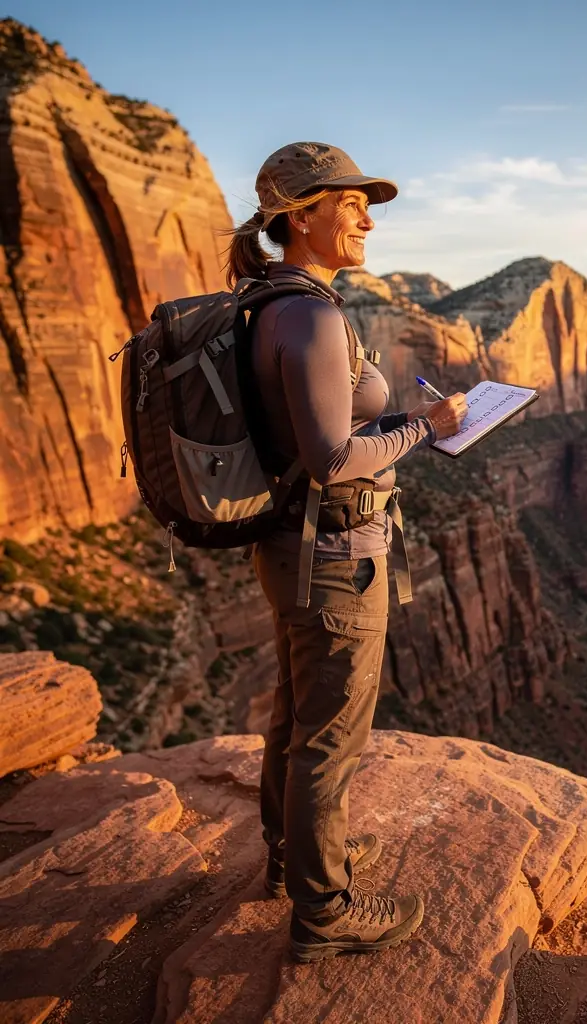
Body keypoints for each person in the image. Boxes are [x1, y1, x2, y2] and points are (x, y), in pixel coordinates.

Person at [225, 142, 467, 962]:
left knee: (296, 712)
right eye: (349, 202)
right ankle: (323, 912)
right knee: (330, 734)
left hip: (288, 544)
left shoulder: (267, 301)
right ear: (299, 217)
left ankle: (294, 858)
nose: (368, 216)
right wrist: (425, 431)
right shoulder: (314, 314)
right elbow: (333, 458)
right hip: (335, 550)